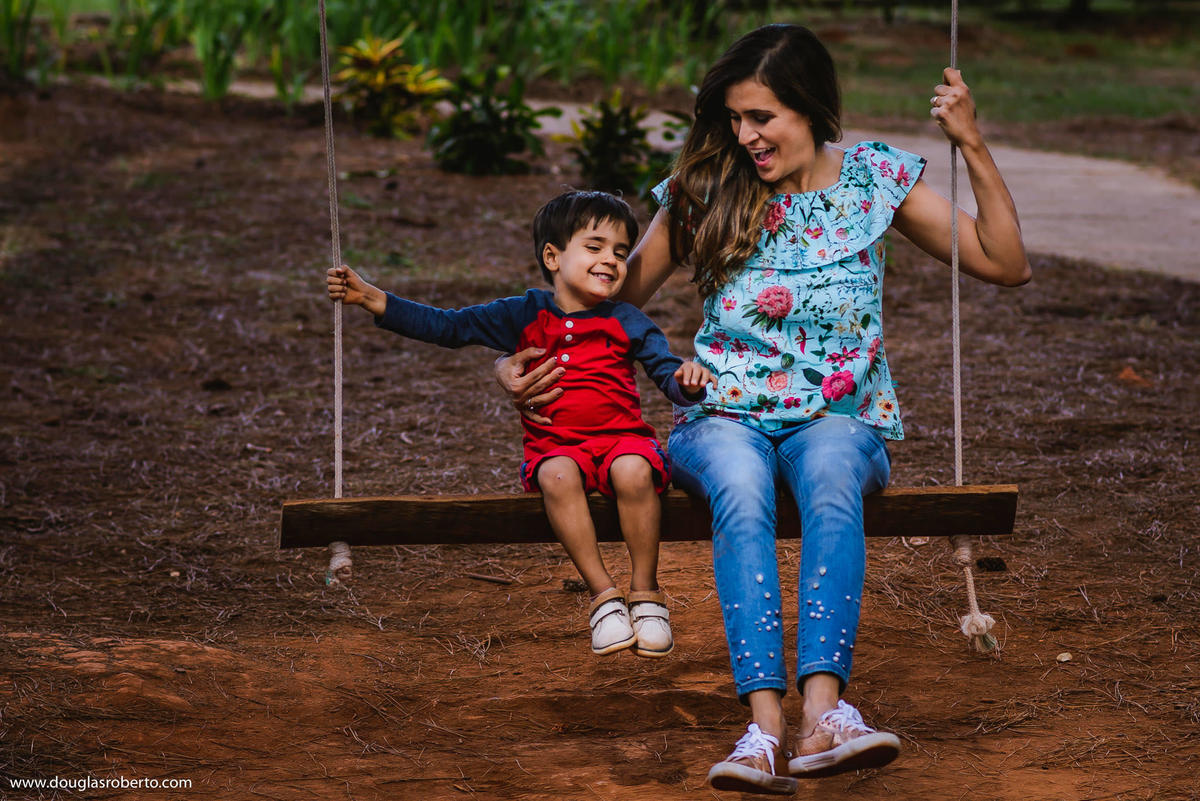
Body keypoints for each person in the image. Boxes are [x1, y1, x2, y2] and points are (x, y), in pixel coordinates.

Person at [495, 23, 1030, 795]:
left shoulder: (875, 179)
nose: (745, 135)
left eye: (762, 118)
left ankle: (825, 716)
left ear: (811, 108)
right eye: (736, 117)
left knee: (835, 471)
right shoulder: (707, 186)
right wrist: (528, 361)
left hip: (838, 420)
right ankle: (763, 727)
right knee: (742, 487)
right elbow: (607, 299)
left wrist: (971, 143)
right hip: (720, 421)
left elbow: (1006, 263)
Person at [327, 190, 716, 660]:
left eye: (619, 251)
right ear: (553, 256)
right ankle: (604, 599)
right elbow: (450, 327)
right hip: (558, 445)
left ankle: (646, 593)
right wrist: (372, 297)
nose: (611, 260)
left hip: (621, 439)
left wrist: (688, 384)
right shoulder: (524, 313)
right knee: (556, 475)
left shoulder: (627, 319)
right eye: (595, 247)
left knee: (635, 470)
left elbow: (665, 374)